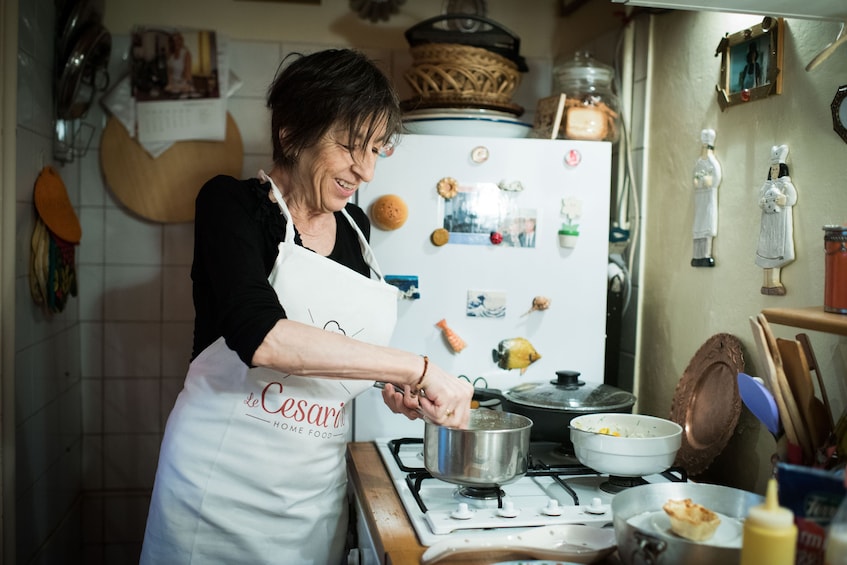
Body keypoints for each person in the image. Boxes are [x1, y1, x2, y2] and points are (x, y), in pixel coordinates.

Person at [140, 48, 474, 565]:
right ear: (292, 132)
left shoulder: (357, 228)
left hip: (312, 492)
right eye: (350, 146)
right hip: (218, 491)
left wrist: (394, 388)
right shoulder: (230, 205)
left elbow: (341, 347)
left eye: (377, 150)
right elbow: (264, 336)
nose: (364, 169)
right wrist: (419, 367)